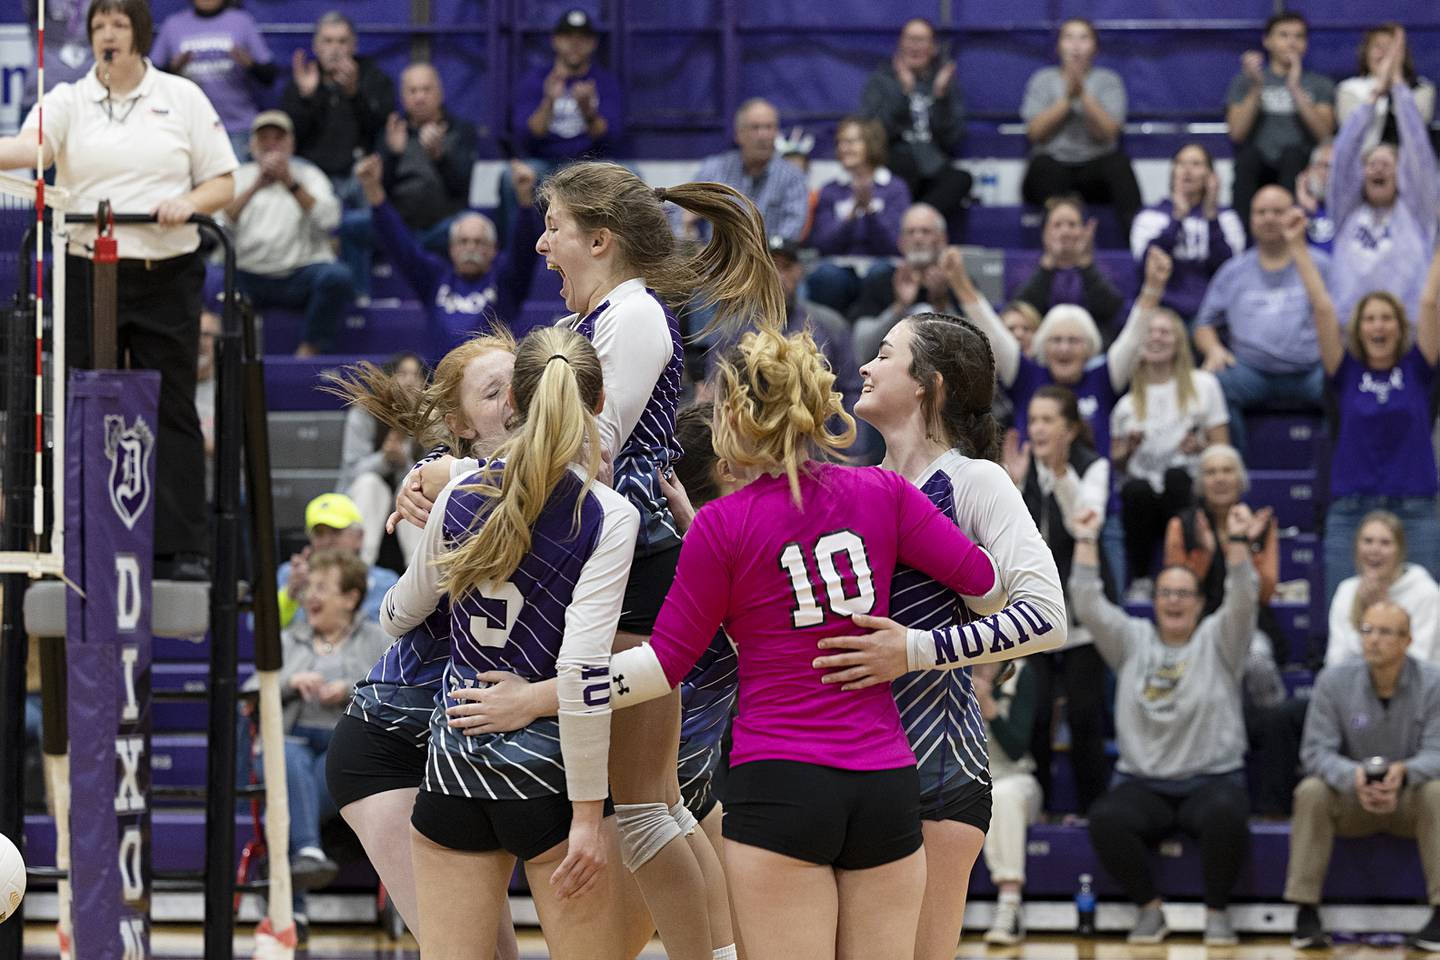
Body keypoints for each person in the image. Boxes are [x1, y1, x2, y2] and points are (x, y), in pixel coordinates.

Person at [599, 324, 1050, 960]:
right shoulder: (882, 489)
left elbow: (664, 665)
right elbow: (984, 582)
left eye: (885, 354)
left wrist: (543, 696)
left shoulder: (728, 523)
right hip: (887, 777)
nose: (867, 366)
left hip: (818, 774)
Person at [532, 160, 788, 959]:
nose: (543, 246)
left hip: (634, 561)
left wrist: (471, 480)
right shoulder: (610, 317)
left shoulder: (633, 316)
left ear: (600, 240)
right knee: (660, 802)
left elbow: (589, 456)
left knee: (644, 807)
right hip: (625, 559)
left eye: (555, 228)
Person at [379, 326, 649, 959]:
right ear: (599, 402)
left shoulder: (457, 494)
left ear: (517, 403)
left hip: (456, 765)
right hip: (548, 776)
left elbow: (397, 616)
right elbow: (583, 669)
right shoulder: (609, 512)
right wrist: (587, 817)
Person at [837, 313, 1067, 959]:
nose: (864, 366)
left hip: (938, 767)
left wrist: (912, 650)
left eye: (884, 354)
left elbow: (1048, 616)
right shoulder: (859, 484)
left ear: (926, 386)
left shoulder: (976, 480)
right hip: (851, 765)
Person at [0, 0, 238, 582]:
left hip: (166, 270)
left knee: (173, 406)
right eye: (98, 25)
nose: (107, 34)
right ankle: (80, 535)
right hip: (88, 270)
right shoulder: (68, 99)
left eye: (118, 24)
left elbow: (224, 182)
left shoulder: (180, 96)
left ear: (140, 35)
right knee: (85, 399)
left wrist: (189, 202)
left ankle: (180, 549)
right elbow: (34, 151)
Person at [322, 333, 518, 950]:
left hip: (467, 739)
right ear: (459, 422)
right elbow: (395, 616)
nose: (515, 400)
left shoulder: (555, 486)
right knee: (461, 946)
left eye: (520, 382)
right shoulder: (449, 493)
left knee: (496, 949)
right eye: (493, 392)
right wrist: (451, 484)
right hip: (391, 741)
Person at [1072, 503, 1259, 946]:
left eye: (1183, 594)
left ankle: (1217, 915)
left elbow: (1244, 596)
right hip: (1145, 784)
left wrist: (1236, 544)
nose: (1174, 601)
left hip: (1211, 780)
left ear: (1199, 604)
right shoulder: (1131, 639)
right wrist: (1083, 539)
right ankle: (1149, 910)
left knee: (1228, 814)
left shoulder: (1221, 639)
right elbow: (1088, 603)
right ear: (1154, 601)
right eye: (1166, 593)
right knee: (1105, 818)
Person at [1287, 600, 1440, 951]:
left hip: (1408, 802)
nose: (1373, 640)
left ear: (1407, 640)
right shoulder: (1334, 681)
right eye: (1367, 630)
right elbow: (1314, 752)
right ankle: (1305, 911)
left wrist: (1404, 773)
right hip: (1353, 800)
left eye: (1385, 632)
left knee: (1437, 792)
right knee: (1311, 791)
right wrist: (1351, 776)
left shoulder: (1433, 684)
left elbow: (1438, 752)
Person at [1308, 226, 1440, 605]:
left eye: (1387, 318)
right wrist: (1299, 249)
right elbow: (1323, 307)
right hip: (1352, 510)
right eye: (1369, 318)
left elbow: (1430, 303)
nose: (1378, 325)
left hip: (1415, 511)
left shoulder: (1418, 369)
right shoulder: (1346, 372)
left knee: (1422, 620)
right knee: (1346, 615)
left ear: (1400, 328)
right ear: (1358, 328)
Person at [1001, 386, 1112, 813]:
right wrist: (1010, 487)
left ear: (1070, 429)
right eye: (1034, 420)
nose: (1039, 428)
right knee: (1037, 713)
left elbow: (1087, 520)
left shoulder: (1094, 466)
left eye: (1049, 420)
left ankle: (1093, 813)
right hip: (1034, 612)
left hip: (1082, 611)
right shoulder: (1019, 469)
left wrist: (1063, 476)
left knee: (1085, 715)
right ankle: (1041, 808)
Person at [961, 244, 1165, 458]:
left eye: (1073, 341)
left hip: (1093, 487)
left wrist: (1154, 287)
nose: (1064, 348)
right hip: (1032, 489)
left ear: (1089, 349)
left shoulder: (1103, 379)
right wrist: (960, 283)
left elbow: (1134, 337)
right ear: (1042, 347)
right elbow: (993, 332)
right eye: (1056, 340)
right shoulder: (1026, 377)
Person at [275, 549, 391, 889]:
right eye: (309, 587)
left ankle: (296, 887)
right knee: (285, 755)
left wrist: (350, 688)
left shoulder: (378, 639)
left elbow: (394, 691)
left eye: (322, 587)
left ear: (351, 597)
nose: (311, 596)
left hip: (347, 744)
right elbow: (255, 690)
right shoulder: (288, 638)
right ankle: (309, 849)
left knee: (283, 805)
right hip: (295, 739)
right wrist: (291, 682)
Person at [355, 154, 543, 358]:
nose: (470, 248)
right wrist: (373, 190)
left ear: (493, 250)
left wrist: (525, 198)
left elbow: (523, 248)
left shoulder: (506, 281)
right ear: (451, 248)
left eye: (479, 242)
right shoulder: (435, 278)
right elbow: (401, 246)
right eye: (463, 241)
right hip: (441, 383)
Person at [1193, 185, 1327, 454]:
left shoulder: (1321, 265)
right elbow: (1203, 324)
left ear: (1294, 217)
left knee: (1348, 384)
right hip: (1251, 370)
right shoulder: (1233, 271)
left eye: (1277, 211)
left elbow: (1343, 317)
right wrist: (1214, 349)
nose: (1268, 218)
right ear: (1251, 219)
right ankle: (1233, 471)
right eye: (1261, 212)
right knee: (1209, 385)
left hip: (1311, 369)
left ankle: (1331, 472)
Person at [1111, 306, 1229, 600]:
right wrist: (1127, 450)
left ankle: (1186, 574)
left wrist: (1201, 447)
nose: (1156, 338)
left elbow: (1223, 450)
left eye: (1164, 331)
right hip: (1142, 497)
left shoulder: (1205, 386)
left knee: (1177, 477)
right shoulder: (1125, 405)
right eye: (1149, 332)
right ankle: (1140, 580)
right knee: (1136, 490)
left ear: (1178, 340)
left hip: (1187, 489)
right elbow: (1116, 464)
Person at [1328, 32, 1439, 331]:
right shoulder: (1345, 212)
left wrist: (1399, 85)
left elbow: (1417, 151)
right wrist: (1375, 95)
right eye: (1372, 164)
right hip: (1351, 331)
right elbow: (1343, 157)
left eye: (1387, 164)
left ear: (1401, 174)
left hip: (1408, 330)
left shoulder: (1419, 213)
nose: (1378, 169)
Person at [222, 110, 352, 356]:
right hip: (249, 275)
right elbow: (220, 224)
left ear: (291, 143)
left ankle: (309, 349)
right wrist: (256, 185)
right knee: (211, 279)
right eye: (264, 138)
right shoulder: (240, 176)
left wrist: (289, 182)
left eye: (278, 138)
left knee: (337, 277)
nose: (271, 144)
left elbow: (330, 220)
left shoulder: (309, 175)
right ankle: (227, 356)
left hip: (298, 274)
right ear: (252, 145)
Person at [501, 8, 623, 241]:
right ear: (555, 41)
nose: (575, 44)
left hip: (590, 165)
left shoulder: (604, 82)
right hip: (545, 165)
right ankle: (516, 258)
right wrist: (548, 102)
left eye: (582, 38)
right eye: (568, 37)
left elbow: (612, 138)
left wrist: (588, 111)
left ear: (593, 43)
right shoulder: (536, 81)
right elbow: (525, 137)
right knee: (511, 178)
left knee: (632, 176)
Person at [1019, 17, 1141, 233]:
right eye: (1069, 38)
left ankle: (1139, 240)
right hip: (1054, 168)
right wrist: (1067, 99)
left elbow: (1109, 133)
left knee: (1119, 165)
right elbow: (1035, 133)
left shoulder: (1108, 81)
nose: (1076, 45)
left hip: (1095, 169)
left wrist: (1083, 94)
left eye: (1084, 38)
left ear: (1095, 47)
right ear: (1058, 46)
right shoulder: (1043, 79)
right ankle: (1056, 242)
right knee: (1041, 167)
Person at [1226, 11, 1336, 229]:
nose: (1291, 43)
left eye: (1298, 37)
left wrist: (1295, 89)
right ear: (1267, 41)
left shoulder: (1319, 84)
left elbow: (1325, 135)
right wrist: (1257, 87)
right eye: (1284, 35)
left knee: (1293, 155)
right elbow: (1236, 133)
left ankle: (1290, 231)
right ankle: (1242, 237)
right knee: (1247, 159)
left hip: (1299, 165)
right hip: (1257, 162)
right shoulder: (1245, 81)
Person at [858, 18, 971, 220]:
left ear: (933, 48)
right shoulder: (880, 81)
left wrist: (941, 98)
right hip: (895, 163)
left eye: (922, 40)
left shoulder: (944, 83)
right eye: (911, 39)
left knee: (961, 179)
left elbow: (951, 139)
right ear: (900, 44)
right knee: (904, 165)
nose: (915, 46)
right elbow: (873, 135)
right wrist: (903, 94)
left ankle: (914, 220)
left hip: (932, 166)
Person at [804, 116, 912, 316]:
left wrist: (870, 211)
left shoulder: (895, 188)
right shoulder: (830, 190)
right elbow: (822, 244)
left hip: (881, 265)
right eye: (840, 142)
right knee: (825, 277)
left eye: (851, 141)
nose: (844, 148)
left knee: (882, 275)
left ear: (871, 143)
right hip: (840, 267)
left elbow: (896, 244)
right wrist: (852, 215)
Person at [279, 11, 394, 194]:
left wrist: (354, 93)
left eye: (342, 41)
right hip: (311, 173)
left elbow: (380, 129)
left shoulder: (373, 78)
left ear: (354, 46)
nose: (335, 49)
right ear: (316, 46)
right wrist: (307, 97)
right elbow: (290, 134)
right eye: (328, 41)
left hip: (356, 174)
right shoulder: (303, 79)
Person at [1129, 144, 1247, 322]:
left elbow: (1228, 270)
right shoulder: (1150, 216)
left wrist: (1211, 218)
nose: (1187, 170)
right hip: (1162, 308)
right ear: (1172, 171)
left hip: (1212, 311)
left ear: (1211, 175)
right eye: (1180, 163)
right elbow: (1147, 266)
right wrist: (1177, 218)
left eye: (1196, 164)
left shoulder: (1226, 218)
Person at [151, 0, 274, 160]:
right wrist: (172, 68)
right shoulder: (173, 25)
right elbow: (150, 77)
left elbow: (269, 76)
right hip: (188, 128)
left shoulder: (241, 21)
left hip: (237, 127)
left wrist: (250, 64)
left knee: (240, 182)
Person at [976, 659, 1042, 945]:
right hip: (967, 780)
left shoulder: (1021, 673)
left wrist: (988, 706)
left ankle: (1010, 904)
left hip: (1015, 777)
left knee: (1002, 795)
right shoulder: (948, 663)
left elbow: (1017, 749)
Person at [682, 99, 810, 244]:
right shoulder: (714, 169)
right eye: (755, 128)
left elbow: (791, 232)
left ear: (776, 133)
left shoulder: (793, 177)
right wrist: (691, 241)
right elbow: (680, 213)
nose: (763, 135)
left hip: (770, 260)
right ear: (738, 134)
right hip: (717, 260)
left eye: (769, 127)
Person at [1327, 513, 1440, 668]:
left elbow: (1417, 663)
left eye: (1385, 543)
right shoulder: (1346, 590)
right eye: (1367, 541)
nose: (1374, 550)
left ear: (1400, 551)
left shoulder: (1426, 593)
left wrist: (1380, 611)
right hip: (1356, 688)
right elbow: (1335, 662)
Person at [381, 62, 478, 241]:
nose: (420, 97)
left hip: (445, 223)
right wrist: (393, 155)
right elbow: (380, 191)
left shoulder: (460, 130)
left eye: (426, 90)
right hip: (399, 224)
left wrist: (439, 157)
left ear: (440, 94)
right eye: (413, 91)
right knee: (353, 225)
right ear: (402, 97)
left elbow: (463, 188)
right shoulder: (392, 130)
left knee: (467, 228)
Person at [849, 204, 958, 362]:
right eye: (911, 232)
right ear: (901, 242)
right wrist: (899, 307)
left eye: (925, 231)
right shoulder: (881, 280)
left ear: (942, 240)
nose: (918, 238)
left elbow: (974, 351)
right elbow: (861, 350)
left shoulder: (956, 283)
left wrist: (941, 305)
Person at [278, 494, 398, 629]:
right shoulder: (290, 575)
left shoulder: (385, 582)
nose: (327, 541)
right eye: (319, 534)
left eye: (336, 532)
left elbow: (390, 637)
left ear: (359, 537)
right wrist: (290, 595)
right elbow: (258, 629)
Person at [1014, 195, 1124, 333]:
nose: (1065, 232)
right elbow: (1022, 310)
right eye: (1057, 225)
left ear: (1084, 230)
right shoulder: (1027, 268)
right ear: (1045, 231)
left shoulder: (1103, 267)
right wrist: (1047, 265)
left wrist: (1086, 265)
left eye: (1072, 225)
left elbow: (1111, 310)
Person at [1336, 23, 1436, 153]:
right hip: (1362, 164)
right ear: (1365, 52)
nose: (1384, 53)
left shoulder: (1422, 88)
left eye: (1390, 47)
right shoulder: (1348, 89)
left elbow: (1416, 127)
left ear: (1403, 55)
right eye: (1377, 46)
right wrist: (1378, 90)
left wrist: (1395, 81)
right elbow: (1350, 132)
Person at [338, 351, 427, 492]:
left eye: (416, 375)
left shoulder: (432, 419)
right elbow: (351, 473)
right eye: (402, 374)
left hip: (406, 499)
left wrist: (403, 462)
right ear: (387, 379)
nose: (410, 381)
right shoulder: (365, 412)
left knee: (413, 487)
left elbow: (429, 479)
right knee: (369, 483)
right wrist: (384, 459)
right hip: (359, 497)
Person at [1295, 143, 1336, 253]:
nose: (1330, 174)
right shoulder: (1294, 211)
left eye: (1337, 168)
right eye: (1325, 166)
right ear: (1308, 171)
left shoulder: (1350, 212)